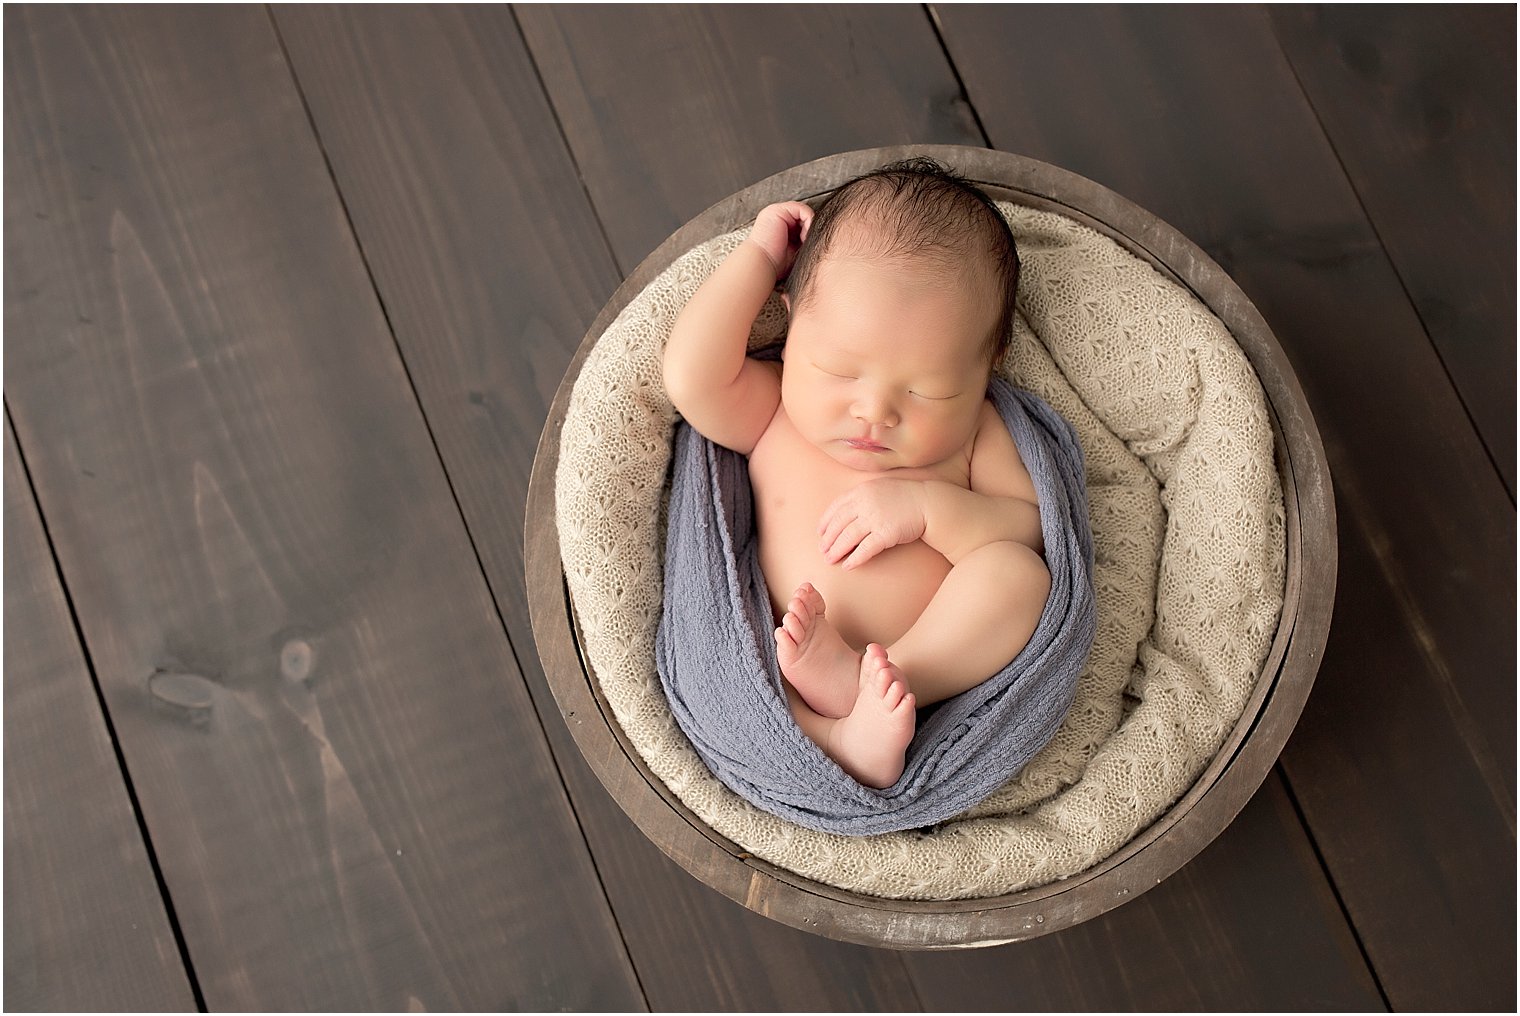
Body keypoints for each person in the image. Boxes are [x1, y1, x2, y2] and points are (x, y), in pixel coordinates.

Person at [662, 159, 1050, 789]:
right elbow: (690, 376)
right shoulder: (774, 414)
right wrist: (761, 255)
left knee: (1020, 579)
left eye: (928, 391)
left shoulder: (976, 432)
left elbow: (1025, 527)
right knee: (742, 661)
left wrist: (928, 509)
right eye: (840, 372)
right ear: (789, 326)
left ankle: (885, 685)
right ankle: (835, 737)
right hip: (789, 649)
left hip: (931, 660)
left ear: (988, 364)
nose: (875, 412)